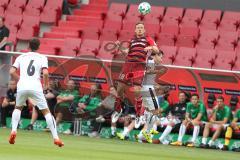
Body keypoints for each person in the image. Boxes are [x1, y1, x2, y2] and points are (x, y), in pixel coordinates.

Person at [8, 38, 64, 147]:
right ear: (38, 46)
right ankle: (56, 138)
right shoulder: (42, 57)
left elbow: (11, 71)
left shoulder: (21, 57)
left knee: (18, 107)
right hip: (35, 86)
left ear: (28, 45)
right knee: (46, 111)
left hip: (22, 85)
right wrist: (46, 85)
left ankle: (13, 131)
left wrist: (20, 80)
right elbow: (46, 73)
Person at [111, 21, 160, 126]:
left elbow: (156, 49)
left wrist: (150, 47)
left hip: (140, 66)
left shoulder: (148, 39)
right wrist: (119, 47)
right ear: (135, 30)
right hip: (128, 65)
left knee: (137, 91)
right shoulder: (131, 40)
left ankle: (138, 115)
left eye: (141, 27)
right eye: (138, 27)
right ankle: (118, 110)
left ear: (144, 30)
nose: (140, 29)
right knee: (119, 89)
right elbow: (126, 52)